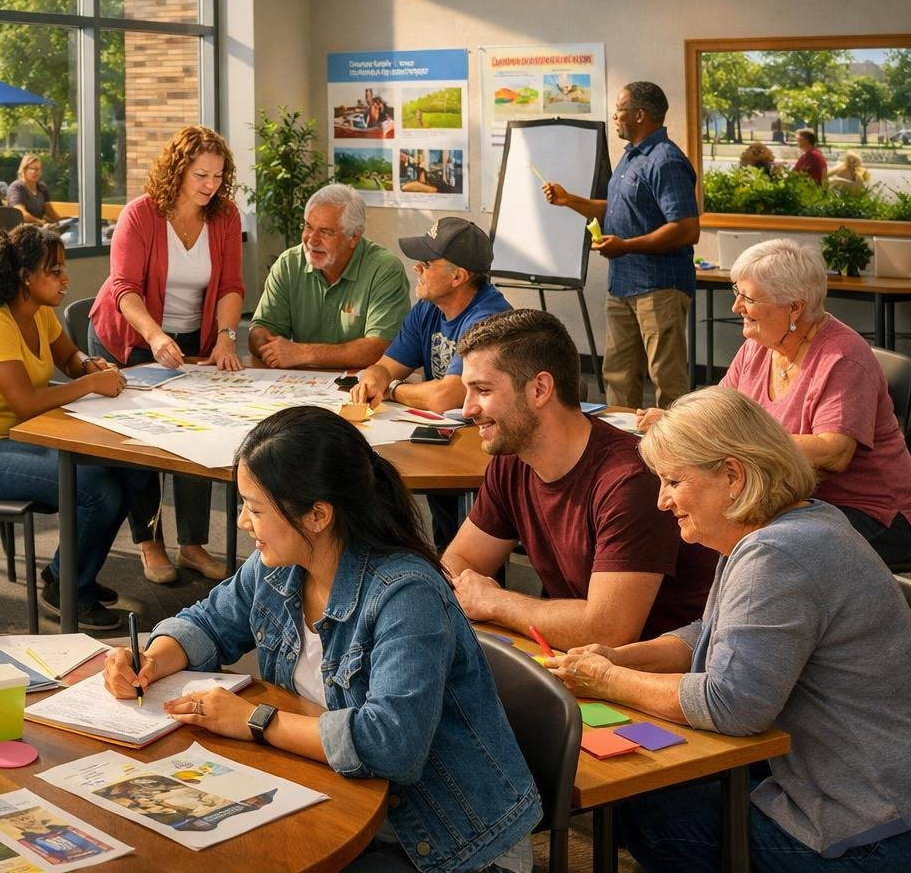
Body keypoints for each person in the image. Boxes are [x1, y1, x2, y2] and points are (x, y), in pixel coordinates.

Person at [102, 407, 540, 873]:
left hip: (447, 845)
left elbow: (392, 745)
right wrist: (150, 659)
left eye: (254, 508)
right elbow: (210, 622)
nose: (241, 523)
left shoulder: (406, 595)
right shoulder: (280, 565)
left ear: (317, 516)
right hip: (336, 802)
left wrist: (255, 720)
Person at [547, 387, 911, 871]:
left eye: (673, 481)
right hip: (867, 793)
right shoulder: (787, 525)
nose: (661, 501)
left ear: (733, 475)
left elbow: (730, 704)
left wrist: (606, 681)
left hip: (862, 830)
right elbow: (711, 631)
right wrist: (620, 657)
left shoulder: (776, 554)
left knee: (644, 810)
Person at [440, 309, 716, 648]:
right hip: (578, 664)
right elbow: (461, 562)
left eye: (482, 390)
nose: (467, 409)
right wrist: (472, 590)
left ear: (540, 389)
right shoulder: (512, 459)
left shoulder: (629, 480)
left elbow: (608, 630)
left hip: (655, 680)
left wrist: (496, 602)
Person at [638, 238, 911, 570]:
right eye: (736, 293)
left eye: (748, 297)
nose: (736, 307)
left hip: (867, 511)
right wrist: (676, 423)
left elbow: (835, 452)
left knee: (758, 550)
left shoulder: (843, 358)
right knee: (687, 519)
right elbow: (721, 412)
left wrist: (741, 444)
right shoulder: (761, 345)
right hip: (788, 499)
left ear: (794, 307)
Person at [0, 226, 149, 632]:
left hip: (15, 439)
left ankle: (66, 575)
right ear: (24, 277)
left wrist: (89, 366)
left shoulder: (40, 313)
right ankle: (69, 589)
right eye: (55, 271)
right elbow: (25, 403)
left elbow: (69, 357)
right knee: (95, 489)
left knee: (131, 471)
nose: (65, 279)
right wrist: (88, 384)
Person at [88, 126, 245, 585]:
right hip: (131, 333)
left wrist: (226, 336)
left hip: (194, 338)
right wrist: (155, 337)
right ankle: (149, 542)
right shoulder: (140, 215)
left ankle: (193, 544)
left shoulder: (226, 216)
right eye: (201, 174)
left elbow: (232, 286)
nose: (210, 184)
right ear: (178, 169)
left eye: (218, 175)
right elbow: (123, 288)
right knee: (148, 439)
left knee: (198, 434)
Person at [351, 216, 511, 548]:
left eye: (425, 263)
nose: (416, 270)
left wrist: (392, 389)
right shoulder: (429, 308)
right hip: (449, 441)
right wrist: (375, 379)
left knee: (458, 542)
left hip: (487, 456)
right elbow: (385, 365)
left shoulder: (488, 318)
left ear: (458, 276)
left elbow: (447, 395)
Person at [542, 81, 699, 409]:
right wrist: (569, 200)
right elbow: (615, 209)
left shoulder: (665, 160)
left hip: (659, 287)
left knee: (666, 378)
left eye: (620, 108)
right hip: (623, 284)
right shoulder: (631, 157)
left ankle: (679, 451)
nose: (614, 115)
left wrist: (626, 245)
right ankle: (623, 445)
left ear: (640, 115)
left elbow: (686, 229)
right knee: (618, 374)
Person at [248, 183, 410, 369]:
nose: (312, 240)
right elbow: (260, 329)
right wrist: (268, 346)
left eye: (325, 232)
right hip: (302, 385)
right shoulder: (289, 263)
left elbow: (380, 347)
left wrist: (302, 353)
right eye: (308, 227)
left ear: (354, 237)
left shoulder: (385, 269)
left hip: (360, 386)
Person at [7, 154, 62, 225]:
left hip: (39, 228)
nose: (34, 172)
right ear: (23, 169)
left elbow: (49, 212)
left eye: (37, 169)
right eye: (31, 169)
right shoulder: (16, 187)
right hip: (20, 231)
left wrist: (61, 221)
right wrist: (40, 222)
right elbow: (20, 213)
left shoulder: (42, 187)